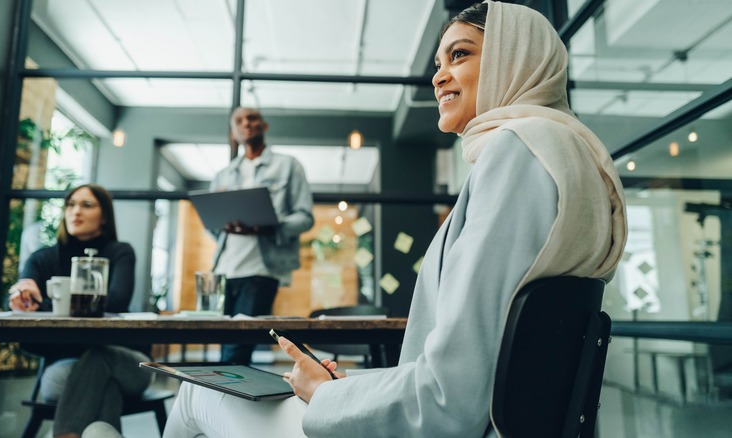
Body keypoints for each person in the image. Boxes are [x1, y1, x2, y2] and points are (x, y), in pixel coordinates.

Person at [162, 2, 627, 436]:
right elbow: (479, 365)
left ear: (514, 58)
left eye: (458, 55)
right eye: (437, 65)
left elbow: (450, 397)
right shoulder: (568, 155)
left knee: (194, 391)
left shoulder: (518, 154)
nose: (439, 77)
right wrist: (349, 389)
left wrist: (327, 394)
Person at [8, 184, 152, 438]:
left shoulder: (119, 253)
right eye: (71, 204)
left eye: (87, 205)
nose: (76, 211)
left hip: (126, 363)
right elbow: (26, 306)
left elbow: (116, 302)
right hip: (66, 369)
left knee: (99, 355)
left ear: (105, 216)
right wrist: (23, 295)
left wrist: (50, 310)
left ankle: (65, 434)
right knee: (104, 385)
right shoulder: (42, 259)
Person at [208, 106, 314, 364]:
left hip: (262, 272)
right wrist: (226, 225)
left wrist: (269, 226)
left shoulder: (288, 166)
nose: (247, 124)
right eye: (239, 121)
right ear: (233, 132)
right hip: (223, 271)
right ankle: (226, 399)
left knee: (238, 349)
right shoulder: (222, 175)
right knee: (224, 345)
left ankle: (228, 399)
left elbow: (305, 217)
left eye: (252, 118)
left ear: (264, 126)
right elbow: (212, 225)